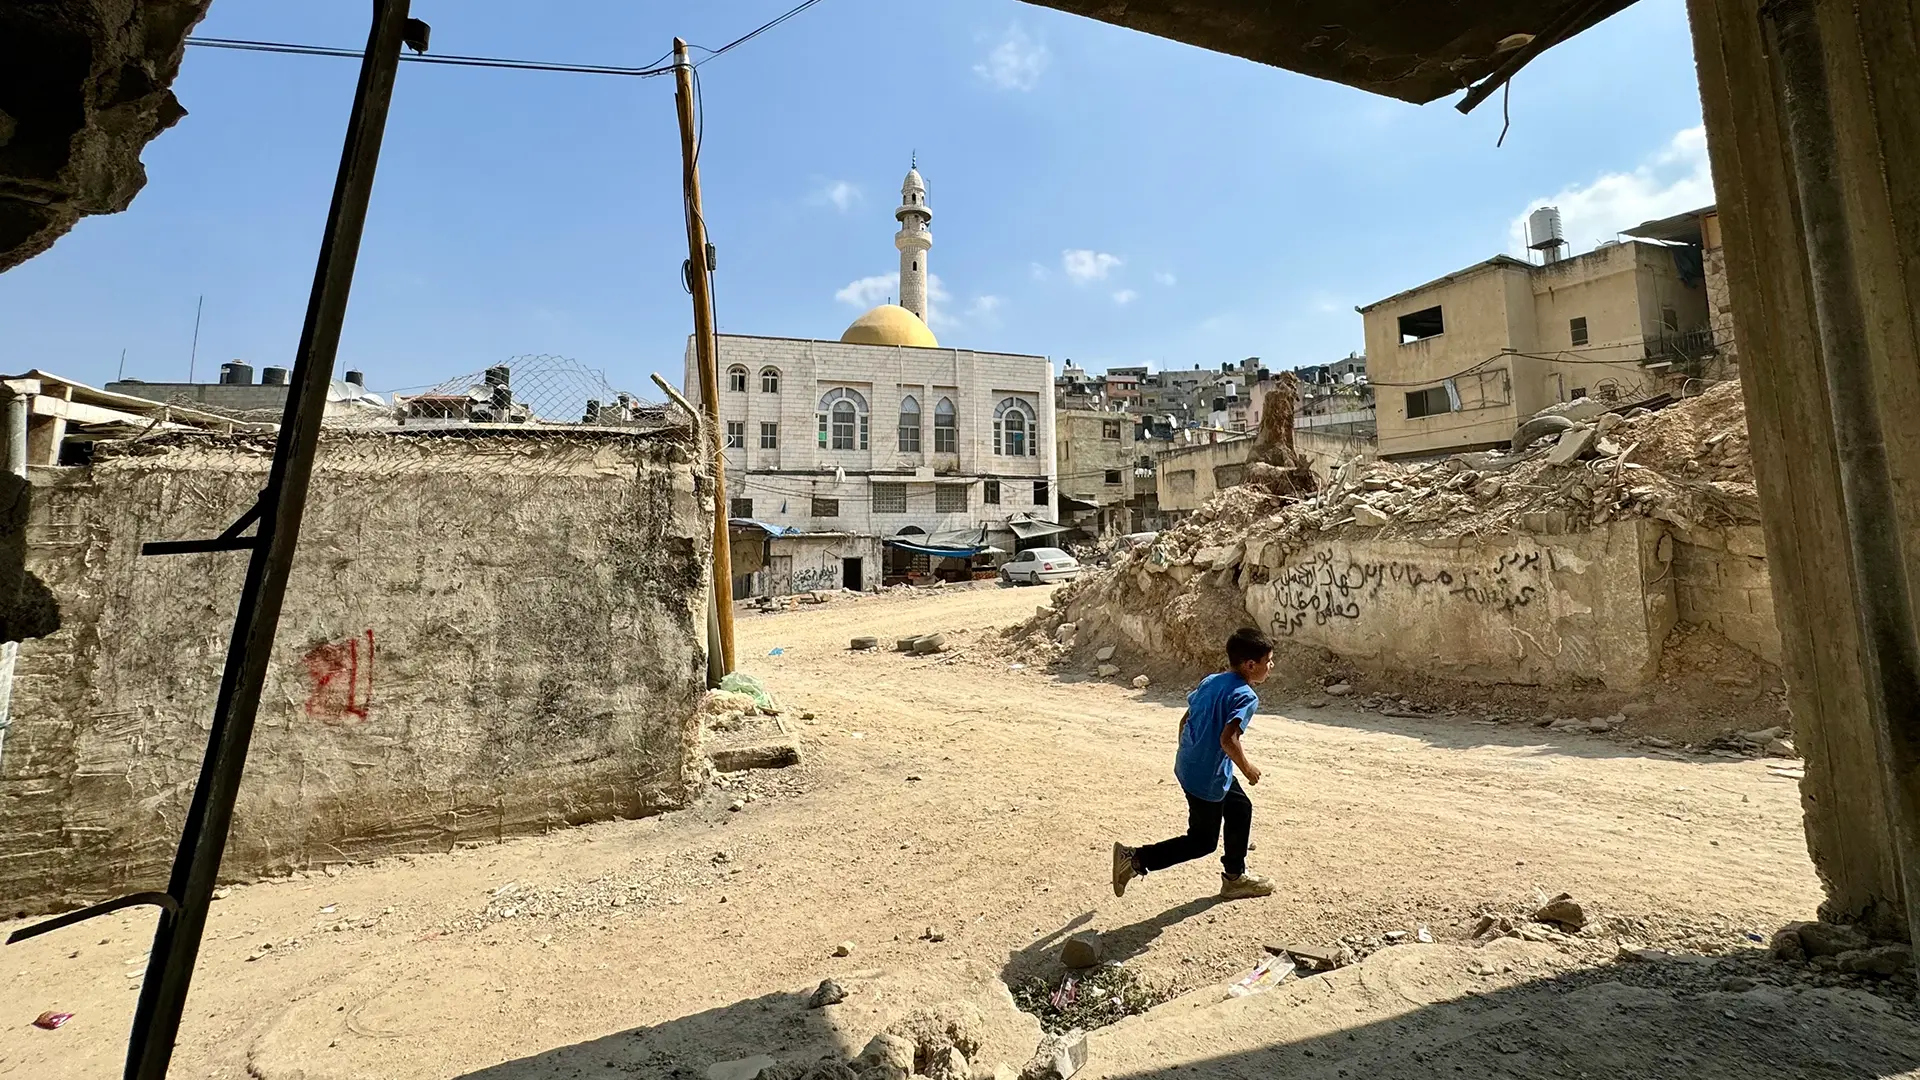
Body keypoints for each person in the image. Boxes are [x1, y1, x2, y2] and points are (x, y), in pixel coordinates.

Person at [1111, 627, 1276, 901]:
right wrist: (1248, 769)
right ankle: (1136, 859)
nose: (1271, 666)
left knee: (1240, 808)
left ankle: (1235, 877)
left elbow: (1186, 718)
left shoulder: (1212, 680)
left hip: (1192, 765)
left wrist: (1189, 751)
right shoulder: (1246, 696)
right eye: (1267, 661)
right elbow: (1228, 740)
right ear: (1250, 665)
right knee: (1202, 841)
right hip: (1206, 777)